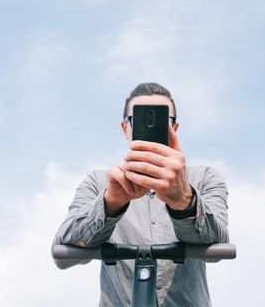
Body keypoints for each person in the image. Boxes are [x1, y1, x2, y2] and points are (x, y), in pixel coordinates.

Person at [54, 82, 230, 307]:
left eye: (163, 120)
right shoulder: (98, 183)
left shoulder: (205, 178)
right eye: (137, 119)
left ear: (174, 128)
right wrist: (110, 203)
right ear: (125, 127)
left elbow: (216, 247)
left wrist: (185, 201)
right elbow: (62, 252)